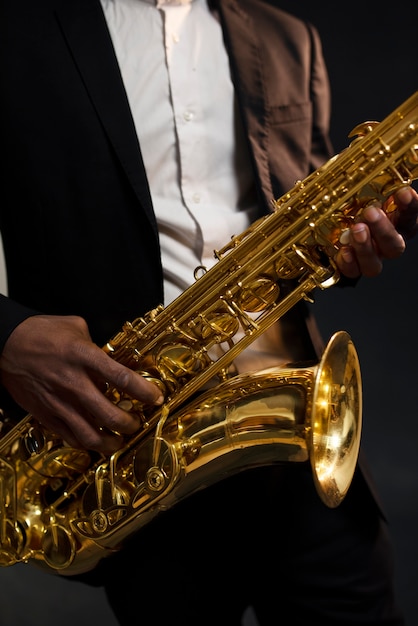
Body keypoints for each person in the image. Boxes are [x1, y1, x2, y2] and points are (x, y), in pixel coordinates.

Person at [1, 0, 417, 624]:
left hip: (298, 423)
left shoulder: (289, 38)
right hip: (136, 440)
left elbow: (319, 222)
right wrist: (3, 336)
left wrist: (358, 238)